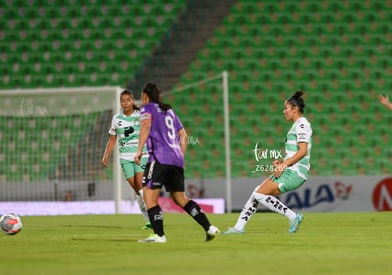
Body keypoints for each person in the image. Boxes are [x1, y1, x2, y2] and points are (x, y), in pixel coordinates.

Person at [134, 82, 219, 243]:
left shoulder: (147, 109)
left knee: (149, 197)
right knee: (180, 198)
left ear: (145, 96)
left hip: (159, 158)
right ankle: (209, 228)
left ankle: (159, 235)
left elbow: (145, 126)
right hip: (176, 159)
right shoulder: (169, 111)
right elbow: (184, 136)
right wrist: (180, 156)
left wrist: (139, 150)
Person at [223, 91, 312, 234]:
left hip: (295, 172)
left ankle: (293, 216)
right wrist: (283, 161)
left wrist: (285, 164)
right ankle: (238, 228)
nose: (284, 111)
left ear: (295, 109)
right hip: (290, 169)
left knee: (259, 194)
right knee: (257, 192)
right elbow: (295, 151)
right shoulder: (297, 126)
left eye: (286, 108)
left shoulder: (302, 125)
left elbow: (303, 151)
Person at [102, 89, 151, 230]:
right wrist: (105, 155)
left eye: (128, 100)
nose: (125, 103)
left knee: (141, 188)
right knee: (136, 190)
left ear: (132, 100)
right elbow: (112, 139)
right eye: (122, 101)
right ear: (120, 103)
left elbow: (148, 130)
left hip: (141, 155)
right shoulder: (116, 119)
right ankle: (147, 220)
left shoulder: (140, 115)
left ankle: (154, 216)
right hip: (124, 158)